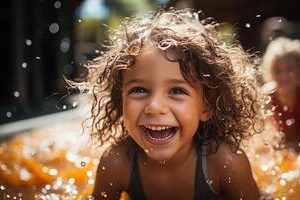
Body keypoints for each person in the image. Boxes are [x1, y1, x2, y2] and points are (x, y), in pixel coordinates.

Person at [78, 9, 262, 199]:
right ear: (120, 100)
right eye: (139, 90)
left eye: (176, 91)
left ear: (206, 106)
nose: (155, 107)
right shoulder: (117, 163)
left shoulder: (225, 163)